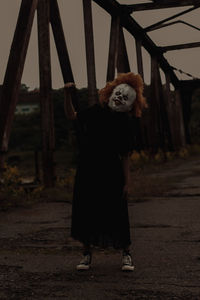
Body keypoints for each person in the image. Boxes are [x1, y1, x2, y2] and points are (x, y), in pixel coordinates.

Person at [64, 72, 146, 271]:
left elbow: (125, 155)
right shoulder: (95, 112)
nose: (118, 99)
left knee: (117, 212)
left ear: (131, 103)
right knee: (86, 211)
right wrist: (67, 94)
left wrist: (127, 182)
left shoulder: (125, 123)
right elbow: (72, 116)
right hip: (88, 169)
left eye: (124, 98)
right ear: (110, 93)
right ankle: (86, 255)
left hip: (111, 171)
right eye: (117, 94)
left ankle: (126, 254)